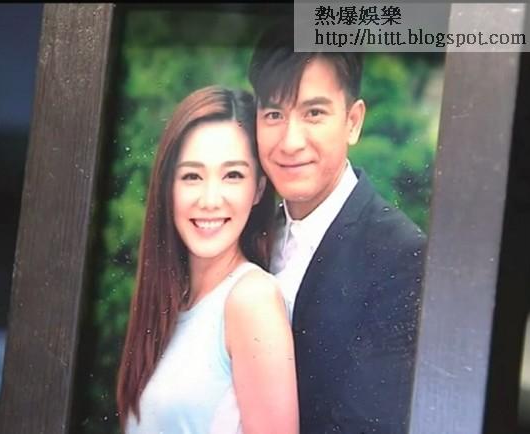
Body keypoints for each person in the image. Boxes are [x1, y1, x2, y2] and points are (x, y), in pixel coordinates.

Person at [248, 21, 427, 433]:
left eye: (314, 113)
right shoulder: (248, 229)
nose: (290, 141)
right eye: (273, 114)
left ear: (353, 121)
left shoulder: (402, 257)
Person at [116, 86, 299, 434]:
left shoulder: (252, 300)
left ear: (259, 189)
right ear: (168, 187)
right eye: (192, 176)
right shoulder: (170, 305)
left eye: (233, 175)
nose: (210, 200)